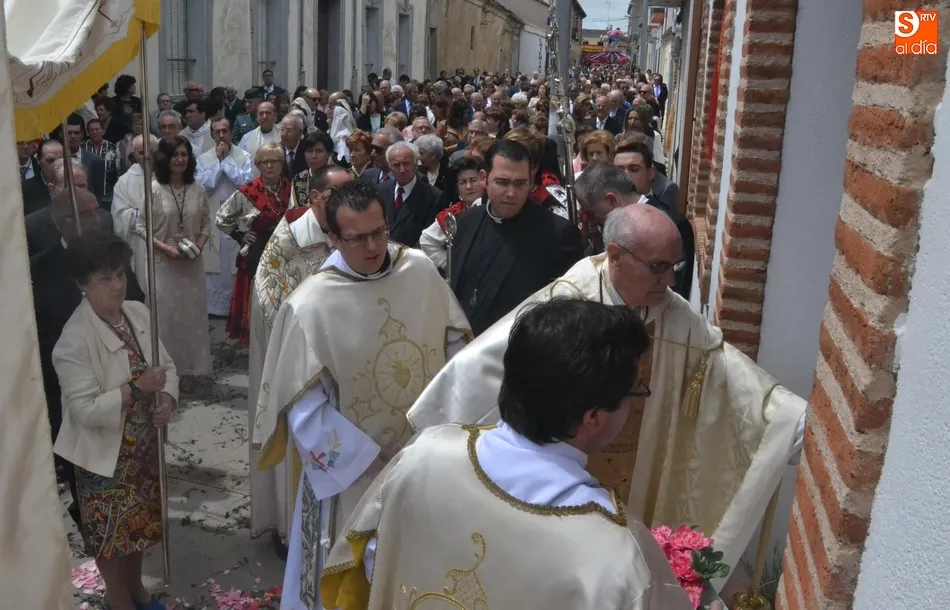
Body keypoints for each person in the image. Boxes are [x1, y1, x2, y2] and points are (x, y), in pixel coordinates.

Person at [409, 204, 808, 571]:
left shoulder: (671, 314)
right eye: (659, 266)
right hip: (551, 494)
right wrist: (435, 436)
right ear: (616, 256)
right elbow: (480, 372)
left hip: (636, 493)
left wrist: (786, 420)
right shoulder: (567, 305)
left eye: (676, 265)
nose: (671, 279)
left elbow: (724, 366)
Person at [320, 298, 691, 610]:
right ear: (593, 417)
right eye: (634, 394)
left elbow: (364, 571)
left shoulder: (422, 457)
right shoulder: (618, 558)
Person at [252, 180, 472, 609]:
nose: (372, 247)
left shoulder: (420, 271)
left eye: (379, 232)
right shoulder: (311, 305)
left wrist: (442, 430)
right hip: (351, 475)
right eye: (357, 238)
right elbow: (303, 409)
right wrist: (372, 459)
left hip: (424, 454)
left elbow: (456, 353)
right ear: (333, 238)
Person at [52, 234, 176, 610]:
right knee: (109, 535)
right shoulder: (74, 339)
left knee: (139, 527)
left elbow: (166, 366)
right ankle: (117, 597)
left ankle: (136, 589)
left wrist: (166, 399)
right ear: (82, 284)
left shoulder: (136, 313)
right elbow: (84, 410)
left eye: (120, 274)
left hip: (142, 449)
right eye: (104, 278)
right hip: (104, 458)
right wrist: (136, 390)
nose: (117, 285)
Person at [247, 166, 350, 553]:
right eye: (337, 195)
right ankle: (292, 528)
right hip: (298, 367)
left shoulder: (352, 231)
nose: (346, 202)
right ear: (316, 197)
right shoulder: (289, 239)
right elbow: (270, 303)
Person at [31, 190, 145, 528]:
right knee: (87, 481)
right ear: (60, 222)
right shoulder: (40, 268)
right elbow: (40, 334)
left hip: (127, 391)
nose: (95, 220)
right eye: (84, 214)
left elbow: (136, 303)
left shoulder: (112, 253)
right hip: (73, 387)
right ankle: (92, 527)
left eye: (96, 211)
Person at [448, 139, 582, 335]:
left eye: (520, 183)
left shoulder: (558, 234)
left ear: (530, 181)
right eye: (502, 182)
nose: (511, 193)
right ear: (484, 178)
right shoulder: (465, 222)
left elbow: (565, 312)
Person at [133, 136, 213, 388]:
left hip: (191, 265)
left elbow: (207, 223)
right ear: (165, 159)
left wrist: (199, 245)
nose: (180, 159)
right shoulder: (154, 189)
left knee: (192, 318)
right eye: (175, 155)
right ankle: (167, 374)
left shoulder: (198, 190)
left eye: (184, 154)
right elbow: (141, 226)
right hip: (163, 265)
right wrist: (165, 248)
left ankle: (192, 371)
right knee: (165, 319)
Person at [215, 142, 291, 343]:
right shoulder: (248, 191)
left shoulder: (292, 189)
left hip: (286, 253)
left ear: (281, 163)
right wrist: (240, 235)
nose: (270, 166)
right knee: (259, 299)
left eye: (274, 161)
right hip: (257, 254)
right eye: (264, 162)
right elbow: (221, 218)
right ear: (258, 165)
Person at [196, 117, 254, 317]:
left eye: (225, 131)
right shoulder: (203, 159)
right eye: (217, 132)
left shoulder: (244, 156)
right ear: (212, 135)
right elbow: (203, 185)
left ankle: (235, 308)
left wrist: (227, 161)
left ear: (231, 132)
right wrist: (219, 163)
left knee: (234, 263)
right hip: (213, 217)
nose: (221, 135)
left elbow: (245, 184)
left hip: (237, 217)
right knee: (215, 264)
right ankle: (214, 309)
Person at [418, 153, 486, 272]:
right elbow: (426, 240)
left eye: (473, 180)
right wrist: (450, 265)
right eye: (463, 182)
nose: (468, 186)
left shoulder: (495, 208)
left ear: (483, 181)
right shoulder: (453, 214)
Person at [111, 134, 159, 287]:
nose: (147, 156)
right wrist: (148, 214)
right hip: (140, 243)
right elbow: (120, 215)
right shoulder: (124, 182)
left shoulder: (168, 176)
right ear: (134, 155)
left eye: (151, 151)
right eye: (141, 152)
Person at [374, 141, 442, 247]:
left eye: (406, 164)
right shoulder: (380, 190)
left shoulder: (433, 196)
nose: (402, 170)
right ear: (390, 167)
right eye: (396, 165)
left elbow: (428, 239)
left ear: (415, 164)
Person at [575, 163, 646, 255]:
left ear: (611, 200)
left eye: (591, 214)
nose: (590, 221)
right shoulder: (623, 223)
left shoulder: (651, 226)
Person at [290, 130, 334, 208]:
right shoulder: (299, 179)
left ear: (329, 154)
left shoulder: (337, 178)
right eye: (309, 151)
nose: (313, 156)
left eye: (319, 151)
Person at [239, 101, 282, 177]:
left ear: (275, 116)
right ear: (257, 118)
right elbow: (240, 161)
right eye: (261, 114)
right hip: (254, 181)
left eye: (268, 113)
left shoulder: (283, 135)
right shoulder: (247, 138)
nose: (264, 116)